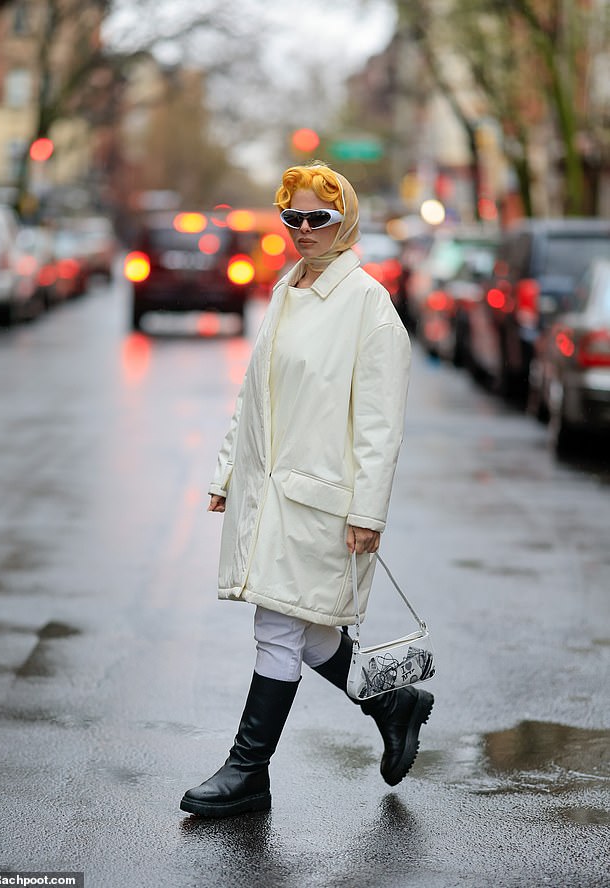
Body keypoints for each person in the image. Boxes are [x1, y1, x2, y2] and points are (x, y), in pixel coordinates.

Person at [180, 163, 434, 818]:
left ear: (344, 219)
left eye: (316, 218)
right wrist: (227, 471)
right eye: (291, 217)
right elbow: (254, 392)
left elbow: (381, 424)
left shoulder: (369, 306)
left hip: (325, 500)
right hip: (271, 493)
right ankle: (393, 702)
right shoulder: (287, 289)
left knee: (276, 625)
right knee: (308, 630)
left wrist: (367, 512)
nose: (302, 230)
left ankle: (248, 771)